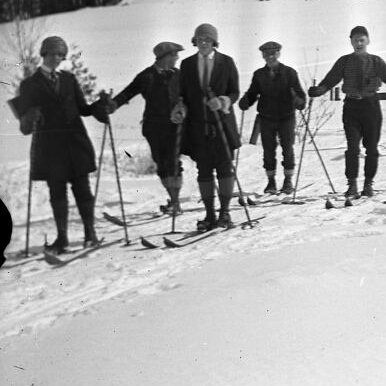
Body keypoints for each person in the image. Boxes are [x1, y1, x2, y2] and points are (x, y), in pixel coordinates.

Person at [10, 35, 109, 251]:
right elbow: (24, 127)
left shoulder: (69, 79)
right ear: (43, 54)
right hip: (50, 148)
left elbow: (83, 109)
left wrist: (102, 105)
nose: (56, 58)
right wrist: (30, 117)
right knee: (57, 192)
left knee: (83, 189)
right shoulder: (29, 85)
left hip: (76, 143)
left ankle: (90, 233)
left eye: (60, 55)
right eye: (52, 54)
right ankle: (62, 238)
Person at [307, 26, 386, 198]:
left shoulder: (376, 61)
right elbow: (331, 79)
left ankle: (368, 184)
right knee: (352, 147)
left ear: (368, 41)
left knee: (372, 148)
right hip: (352, 107)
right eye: (355, 40)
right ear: (351, 41)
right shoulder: (344, 61)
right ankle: (352, 184)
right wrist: (319, 90)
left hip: (371, 106)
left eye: (362, 40)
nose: (359, 43)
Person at [175, 23, 242, 231]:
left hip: (221, 124)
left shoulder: (226, 62)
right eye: (200, 39)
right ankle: (210, 215)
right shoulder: (186, 65)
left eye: (207, 39)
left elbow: (234, 92)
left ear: (214, 42)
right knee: (203, 170)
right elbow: (181, 93)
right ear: (195, 42)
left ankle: (225, 213)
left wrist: (222, 102)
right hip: (198, 127)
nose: (203, 43)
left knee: (224, 168)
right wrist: (179, 107)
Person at [109, 40, 186, 215]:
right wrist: (112, 105)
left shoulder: (179, 74)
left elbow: (188, 97)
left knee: (174, 163)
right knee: (161, 164)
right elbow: (128, 92)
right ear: (165, 57)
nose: (177, 58)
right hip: (153, 127)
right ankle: (173, 200)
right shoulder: (147, 76)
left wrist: (183, 108)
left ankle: (175, 202)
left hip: (175, 127)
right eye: (174, 55)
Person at [238, 41, 307, 195]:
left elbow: (301, 95)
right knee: (268, 150)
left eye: (273, 53)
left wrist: (299, 101)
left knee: (287, 148)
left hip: (286, 117)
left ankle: (288, 180)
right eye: (266, 54)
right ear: (263, 56)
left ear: (278, 54)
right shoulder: (259, 75)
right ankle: (271, 182)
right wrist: (245, 101)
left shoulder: (289, 73)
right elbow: (252, 93)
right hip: (267, 117)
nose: (270, 57)